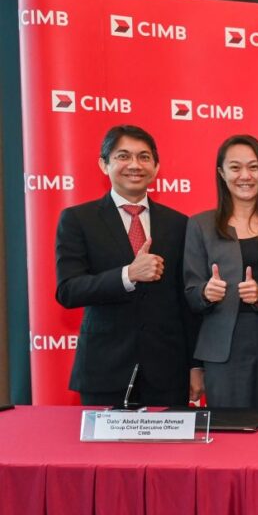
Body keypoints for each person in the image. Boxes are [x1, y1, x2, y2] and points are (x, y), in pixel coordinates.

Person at [55, 124, 201, 406]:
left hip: (168, 373)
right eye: (123, 156)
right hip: (104, 370)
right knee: (105, 452)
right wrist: (128, 275)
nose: (135, 165)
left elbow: (188, 302)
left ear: (156, 167)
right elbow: (69, 290)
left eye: (144, 157)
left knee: (171, 452)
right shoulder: (77, 220)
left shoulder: (180, 224)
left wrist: (196, 365)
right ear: (104, 164)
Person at [183, 134, 258, 408]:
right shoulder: (200, 225)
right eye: (235, 167)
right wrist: (205, 292)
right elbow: (189, 293)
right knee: (228, 437)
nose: (245, 176)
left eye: (253, 167)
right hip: (222, 348)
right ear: (221, 173)